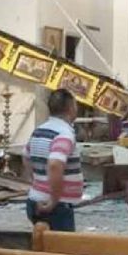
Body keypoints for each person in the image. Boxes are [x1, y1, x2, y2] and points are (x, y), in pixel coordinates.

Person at [24, 89, 83, 233]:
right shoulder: (64, 134)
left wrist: (37, 182)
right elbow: (55, 165)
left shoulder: (39, 130)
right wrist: (53, 200)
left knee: (42, 242)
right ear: (70, 108)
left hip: (35, 199)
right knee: (62, 246)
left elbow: (25, 156)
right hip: (56, 207)